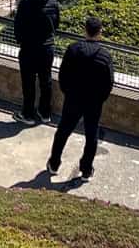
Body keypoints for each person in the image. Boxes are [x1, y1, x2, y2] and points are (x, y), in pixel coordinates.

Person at [47, 16, 114, 180]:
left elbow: (62, 75)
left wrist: (68, 93)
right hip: (94, 102)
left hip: (73, 98)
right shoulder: (104, 55)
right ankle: (86, 169)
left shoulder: (73, 49)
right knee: (91, 136)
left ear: (85, 30)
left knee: (63, 131)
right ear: (100, 33)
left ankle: (54, 163)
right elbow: (109, 82)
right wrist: (100, 99)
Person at [12, 0, 60, 125]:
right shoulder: (53, 3)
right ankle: (45, 113)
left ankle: (28, 114)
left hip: (28, 48)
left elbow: (17, 26)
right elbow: (56, 24)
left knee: (28, 81)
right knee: (46, 80)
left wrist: (21, 41)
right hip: (47, 47)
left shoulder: (25, 3)